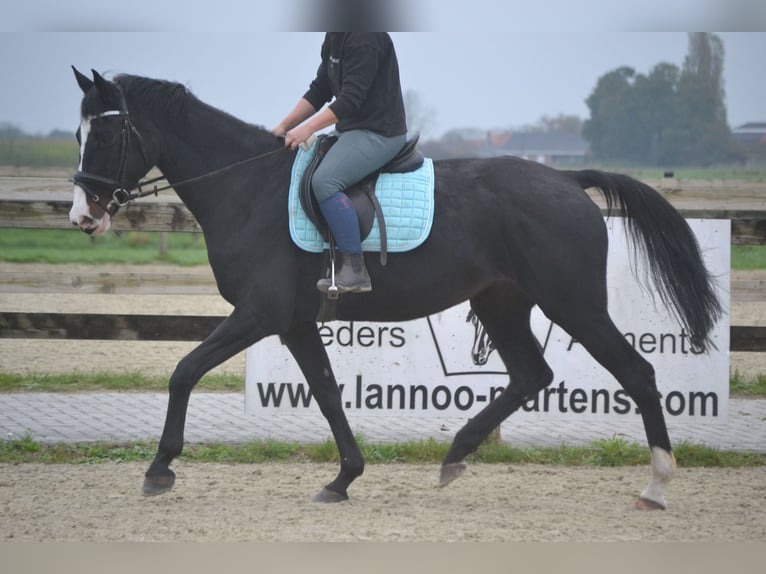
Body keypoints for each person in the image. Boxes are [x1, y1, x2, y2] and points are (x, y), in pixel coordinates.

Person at [272, 33, 408, 293]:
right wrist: (284, 126)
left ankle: (354, 270)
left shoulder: (365, 37)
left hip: (380, 133)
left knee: (325, 181)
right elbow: (321, 88)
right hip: (351, 130)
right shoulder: (335, 34)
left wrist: (307, 129)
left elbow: (350, 99)